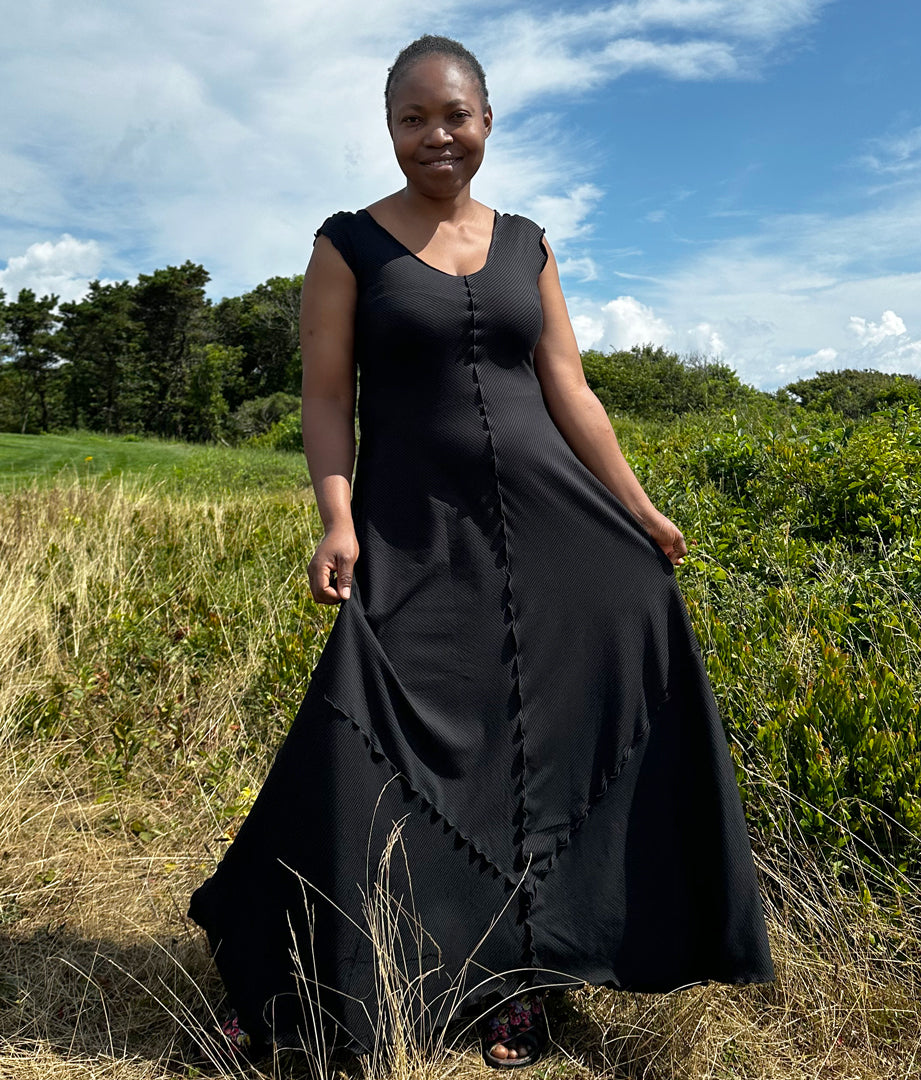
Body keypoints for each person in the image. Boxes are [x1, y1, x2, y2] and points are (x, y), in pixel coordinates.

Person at [188, 33, 775, 1070]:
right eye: (412, 119)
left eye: (453, 116)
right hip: (417, 534)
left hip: (552, 529)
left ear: (488, 121)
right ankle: (294, 982)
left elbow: (571, 392)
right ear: (389, 130)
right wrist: (336, 519)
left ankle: (525, 984)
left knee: (546, 745)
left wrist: (637, 508)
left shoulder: (528, 245)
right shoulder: (346, 248)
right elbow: (327, 400)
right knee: (367, 735)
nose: (435, 137)